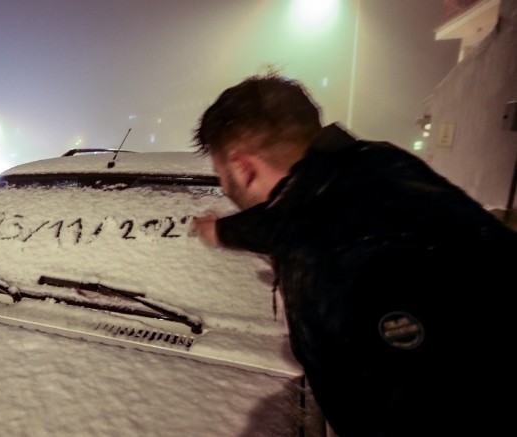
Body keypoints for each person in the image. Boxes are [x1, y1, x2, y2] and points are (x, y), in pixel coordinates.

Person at [189, 72, 516, 436]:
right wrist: (221, 231)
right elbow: (286, 219)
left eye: (221, 176)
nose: (224, 188)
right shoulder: (370, 171)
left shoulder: (355, 262)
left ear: (242, 166)